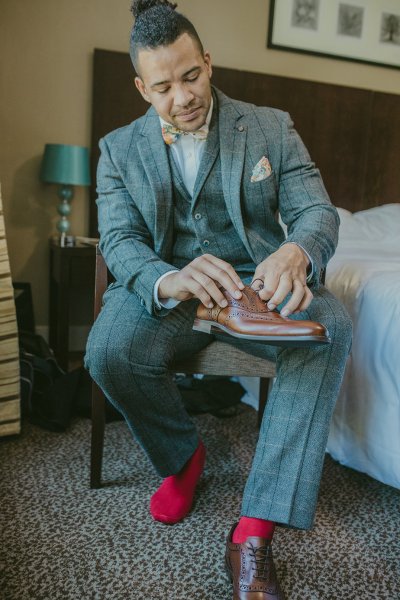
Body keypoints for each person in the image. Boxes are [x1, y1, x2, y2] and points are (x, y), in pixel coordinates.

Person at [85, 1, 352, 597]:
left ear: (207, 61)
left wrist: (297, 252)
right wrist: (165, 278)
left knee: (328, 326)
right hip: (173, 280)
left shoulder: (269, 126)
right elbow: (121, 239)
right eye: (163, 86)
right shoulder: (117, 149)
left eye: (191, 76)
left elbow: (316, 211)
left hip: (257, 283)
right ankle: (183, 458)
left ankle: (255, 528)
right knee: (107, 350)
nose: (182, 96)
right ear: (141, 88)